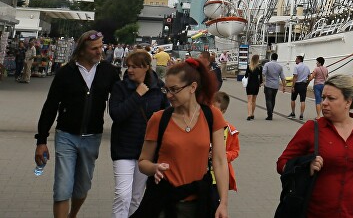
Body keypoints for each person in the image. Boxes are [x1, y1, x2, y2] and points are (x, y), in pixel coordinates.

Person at [277, 74, 353, 218]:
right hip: (315, 213)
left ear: (348, 102)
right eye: (323, 97)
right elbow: (282, 163)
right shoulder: (312, 128)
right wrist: (305, 167)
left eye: (331, 98)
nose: (324, 103)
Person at [35, 29, 120, 218]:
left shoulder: (109, 72)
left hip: (92, 137)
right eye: (94, 49)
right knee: (62, 187)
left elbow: (122, 98)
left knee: (82, 187)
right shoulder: (66, 72)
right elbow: (50, 107)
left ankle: (72, 214)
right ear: (81, 50)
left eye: (101, 47)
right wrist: (41, 141)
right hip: (66, 136)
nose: (100, 52)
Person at [136, 57, 230, 218]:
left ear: (193, 87)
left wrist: (223, 204)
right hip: (165, 204)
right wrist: (154, 168)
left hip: (200, 204)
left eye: (174, 89)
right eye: (166, 90)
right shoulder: (159, 119)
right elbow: (143, 162)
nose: (169, 95)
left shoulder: (211, 115)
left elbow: (220, 161)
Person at [109, 49, 170, 218]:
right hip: (123, 148)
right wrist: (137, 95)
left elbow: (166, 116)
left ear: (147, 68)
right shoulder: (120, 87)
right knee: (122, 194)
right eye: (128, 66)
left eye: (135, 67)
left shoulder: (159, 89)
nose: (129, 70)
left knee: (136, 198)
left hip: (147, 151)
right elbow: (116, 114)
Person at [212, 92, 239, 192]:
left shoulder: (230, 130)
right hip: (200, 176)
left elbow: (235, 151)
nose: (212, 112)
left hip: (218, 178)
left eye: (215, 109)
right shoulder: (201, 125)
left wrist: (223, 155)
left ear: (223, 111)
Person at [262, 53, 284, 120]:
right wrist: (284, 86)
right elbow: (282, 77)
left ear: (271, 57)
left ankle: (269, 114)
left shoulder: (267, 64)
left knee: (268, 99)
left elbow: (263, 73)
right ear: (277, 58)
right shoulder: (280, 66)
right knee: (273, 99)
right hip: (275, 85)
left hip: (268, 84)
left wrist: (262, 81)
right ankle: (271, 112)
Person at [290, 55, 311, 119]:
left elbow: (295, 77)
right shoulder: (307, 67)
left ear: (299, 60)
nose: (295, 60)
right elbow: (309, 78)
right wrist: (307, 84)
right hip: (303, 85)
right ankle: (301, 115)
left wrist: (292, 86)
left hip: (297, 84)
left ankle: (293, 113)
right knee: (302, 100)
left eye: (296, 59)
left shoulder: (296, 67)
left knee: (293, 99)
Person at [244, 54, 263, 120]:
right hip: (256, 84)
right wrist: (260, 83)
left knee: (249, 100)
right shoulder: (260, 67)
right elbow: (260, 77)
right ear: (257, 59)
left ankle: (249, 115)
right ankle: (252, 114)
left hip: (249, 84)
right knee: (254, 100)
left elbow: (246, 75)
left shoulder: (249, 66)